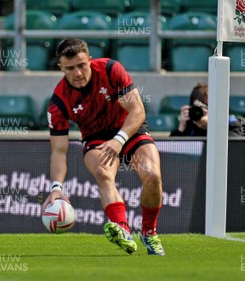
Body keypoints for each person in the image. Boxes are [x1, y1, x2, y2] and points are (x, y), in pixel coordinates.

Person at [42, 38, 165, 256]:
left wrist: (119, 140)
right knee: (102, 173)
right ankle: (123, 230)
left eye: (81, 65)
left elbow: (137, 111)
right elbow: (59, 151)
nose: (78, 73)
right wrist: (56, 189)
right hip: (96, 137)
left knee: (153, 177)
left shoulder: (110, 70)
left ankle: (149, 233)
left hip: (130, 129)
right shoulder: (59, 101)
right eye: (70, 68)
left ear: (90, 60)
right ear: (61, 67)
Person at [170, 83, 245, 137]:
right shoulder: (189, 128)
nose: (202, 111)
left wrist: (212, 127)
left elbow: (229, 152)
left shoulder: (233, 124)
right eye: (198, 107)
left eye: (206, 106)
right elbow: (171, 157)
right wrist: (181, 129)